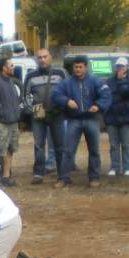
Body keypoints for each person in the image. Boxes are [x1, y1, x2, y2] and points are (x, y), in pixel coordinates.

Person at [52, 55, 111, 189]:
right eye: (75, 67)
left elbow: (106, 95)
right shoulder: (67, 83)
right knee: (68, 151)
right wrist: (67, 101)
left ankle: (94, 178)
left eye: (80, 67)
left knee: (94, 150)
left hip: (92, 119)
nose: (77, 69)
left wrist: (99, 105)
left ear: (86, 67)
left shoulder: (96, 81)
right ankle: (63, 178)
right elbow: (55, 94)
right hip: (74, 120)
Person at [24, 49, 66, 184]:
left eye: (45, 56)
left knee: (60, 146)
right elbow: (25, 96)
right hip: (38, 115)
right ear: (36, 59)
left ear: (51, 57)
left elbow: (67, 91)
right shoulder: (30, 76)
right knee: (39, 145)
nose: (42, 59)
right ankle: (38, 173)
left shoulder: (60, 73)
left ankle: (62, 174)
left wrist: (62, 107)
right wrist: (32, 109)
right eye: (39, 57)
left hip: (57, 114)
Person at [0, 57, 21, 187]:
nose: (13, 67)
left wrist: (16, 115)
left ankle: (6, 177)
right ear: (4, 68)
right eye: (11, 65)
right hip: (0, 122)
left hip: (13, 121)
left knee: (10, 149)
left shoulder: (10, 81)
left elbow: (13, 101)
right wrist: (4, 116)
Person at [104, 57, 129, 177]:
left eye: (122, 66)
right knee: (113, 145)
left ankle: (127, 167)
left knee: (126, 144)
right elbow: (107, 95)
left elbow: (127, 93)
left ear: (127, 67)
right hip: (111, 117)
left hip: (127, 117)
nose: (120, 69)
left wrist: (122, 81)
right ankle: (114, 167)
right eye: (118, 66)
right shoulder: (109, 81)